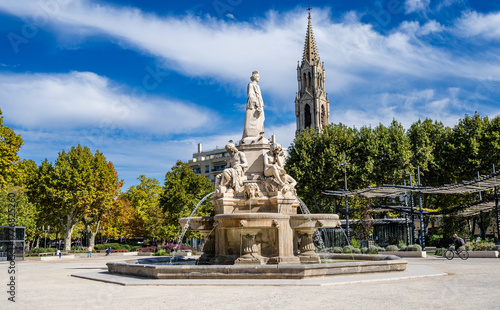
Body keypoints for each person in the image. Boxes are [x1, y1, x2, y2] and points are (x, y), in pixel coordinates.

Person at [242, 70, 265, 139]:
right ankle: (253, 135)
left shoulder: (258, 87)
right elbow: (251, 95)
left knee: (261, 120)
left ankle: (260, 134)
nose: (259, 78)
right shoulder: (251, 85)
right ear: (254, 77)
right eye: (258, 76)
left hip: (259, 107)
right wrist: (257, 105)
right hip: (254, 107)